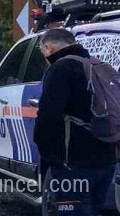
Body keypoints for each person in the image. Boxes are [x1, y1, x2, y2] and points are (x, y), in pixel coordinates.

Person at [34, 28, 115, 216]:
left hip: (74, 164)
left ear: (48, 48)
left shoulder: (61, 68)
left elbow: (48, 117)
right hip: (106, 161)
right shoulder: (100, 66)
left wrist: (50, 157)